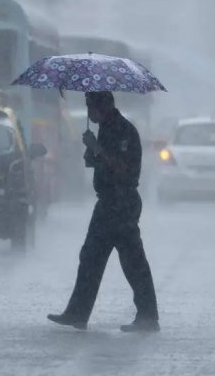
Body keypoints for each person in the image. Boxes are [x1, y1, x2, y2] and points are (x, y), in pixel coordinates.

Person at [48, 91, 160, 332]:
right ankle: (78, 312)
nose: (89, 112)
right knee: (91, 257)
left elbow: (123, 168)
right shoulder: (106, 128)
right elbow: (103, 163)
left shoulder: (123, 130)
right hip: (108, 202)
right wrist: (92, 155)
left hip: (121, 203)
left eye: (91, 107)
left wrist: (97, 149)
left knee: (131, 261)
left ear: (104, 106)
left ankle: (148, 316)